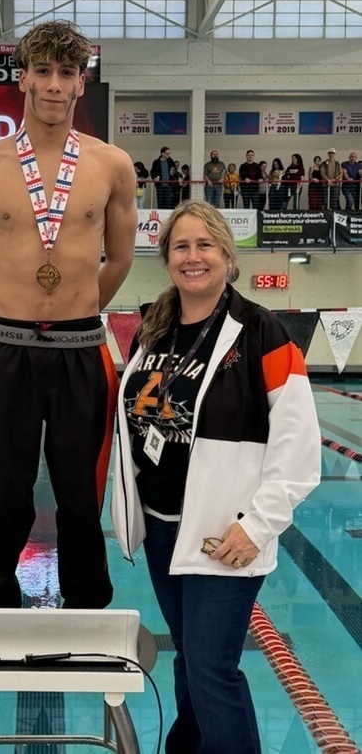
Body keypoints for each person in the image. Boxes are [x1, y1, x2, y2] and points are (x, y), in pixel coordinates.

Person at [111, 199, 321, 754]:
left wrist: (257, 526)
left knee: (210, 668)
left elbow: (298, 446)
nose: (193, 256)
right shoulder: (152, 330)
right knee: (190, 658)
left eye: (205, 245)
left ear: (227, 256)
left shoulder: (261, 331)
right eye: (181, 246)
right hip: (161, 528)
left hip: (222, 532)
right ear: (167, 258)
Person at [0, 20, 136, 610]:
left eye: (67, 73)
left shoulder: (113, 165)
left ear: (82, 84)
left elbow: (120, 261)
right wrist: (15, 315)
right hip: (10, 349)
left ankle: (87, 608)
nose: (55, 85)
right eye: (44, 72)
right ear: (22, 77)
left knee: (81, 494)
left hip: (83, 350)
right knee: (5, 492)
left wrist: (79, 312)